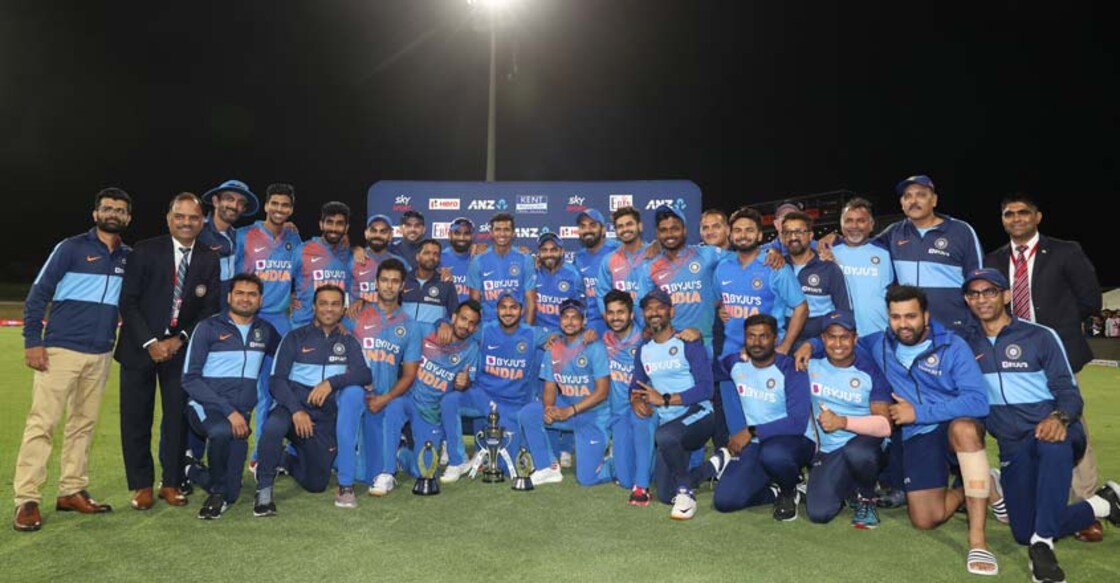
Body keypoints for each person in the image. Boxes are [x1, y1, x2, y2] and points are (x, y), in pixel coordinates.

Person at [795, 285, 996, 575]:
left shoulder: (952, 345)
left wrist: (919, 411)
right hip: (917, 433)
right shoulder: (880, 343)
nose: (903, 324)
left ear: (926, 316)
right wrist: (810, 344)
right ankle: (973, 486)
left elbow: (978, 402)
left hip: (949, 425)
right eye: (896, 317)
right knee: (925, 519)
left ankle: (978, 540)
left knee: (965, 429)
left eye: (911, 316)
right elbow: (841, 340)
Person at [959, 268, 1120, 582]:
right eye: (974, 293)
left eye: (990, 291)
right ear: (967, 300)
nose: (982, 299)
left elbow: (1068, 393)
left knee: (1052, 442)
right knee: (1021, 531)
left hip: (1057, 427)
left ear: (1006, 295)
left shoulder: (1039, 335)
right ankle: (1103, 503)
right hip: (1013, 443)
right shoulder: (965, 343)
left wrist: (1058, 418)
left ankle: (1043, 549)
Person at [983, 194, 1104, 535]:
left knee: (1070, 420)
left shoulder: (1065, 251)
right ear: (1003, 219)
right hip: (1010, 356)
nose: (1017, 218)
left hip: (1054, 350)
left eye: (1024, 212)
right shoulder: (994, 258)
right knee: (1022, 425)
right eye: (1009, 213)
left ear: (1038, 216)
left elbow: (1090, 300)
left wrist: (1050, 335)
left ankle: (1086, 503)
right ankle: (1040, 498)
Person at [13, 188, 132, 532]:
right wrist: (33, 341)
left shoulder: (128, 257)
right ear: (95, 214)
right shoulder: (71, 248)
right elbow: (38, 295)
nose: (113, 213)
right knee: (43, 424)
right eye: (107, 208)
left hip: (101, 352)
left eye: (120, 210)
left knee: (83, 424)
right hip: (60, 349)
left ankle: (71, 490)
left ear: (128, 218)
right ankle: (27, 499)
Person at [116, 193, 220, 511]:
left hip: (180, 351)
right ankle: (142, 485)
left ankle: (171, 482)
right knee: (136, 418)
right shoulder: (145, 251)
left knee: (176, 419)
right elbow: (128, 301)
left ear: (202, 221)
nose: (186, 222)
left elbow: (210, 307)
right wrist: (151, 342)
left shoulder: (208, 257)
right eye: (180, 216)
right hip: (139, 349)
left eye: (193, 217)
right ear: (169, 218)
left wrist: (179, 340)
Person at [253, 285, 371, 516]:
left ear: (343, 309)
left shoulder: (348, 342)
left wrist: (331, 383)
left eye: (335, 304)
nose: (329, 309)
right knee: (273, 426)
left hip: (324, 417)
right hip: (292, 409)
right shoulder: (295, 337)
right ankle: (264, 489)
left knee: (317, 483)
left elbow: (364, 374)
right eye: (324, 303)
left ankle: (286, 459)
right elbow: (276, 381)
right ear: (314, 306)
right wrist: (296, 410)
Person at [181, 273, 280, 519]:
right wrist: (229, 412)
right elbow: (189, 379)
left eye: (252, 294)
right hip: (206, 407)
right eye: (240, 293)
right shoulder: (208, 328)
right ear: (229, 296)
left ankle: (189, 469)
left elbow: (290, 353)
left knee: (233, 493)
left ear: (260, 300)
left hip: (240, 414)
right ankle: (215, 493)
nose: (245, 299)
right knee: (222, 431)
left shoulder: (265, 331)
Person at [712, 206, 807, 450]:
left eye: (749, 230)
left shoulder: (774, 266)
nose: (743, 235)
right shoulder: (723, 267)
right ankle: (740, 467)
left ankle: (774, 471)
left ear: (759, 235)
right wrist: (722, 309)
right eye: (738, 230)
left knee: (769, 425)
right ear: (731, 235)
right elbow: (718, 299)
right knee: (737, 426)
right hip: (732, 357)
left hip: (768, 358)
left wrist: (784, 347)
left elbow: (800, 307)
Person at [440, 292, 552, 483]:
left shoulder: (532, 334)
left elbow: (559, 337)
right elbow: (459, 327)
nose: (508, 312)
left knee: (508, 469)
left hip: (513, 406)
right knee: (450, 401)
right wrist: (441, 323)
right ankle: (457, 460)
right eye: (503, 307)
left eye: (513, 307)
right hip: (482, 398)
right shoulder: (484, 330)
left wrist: (562, 340)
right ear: (496, 310)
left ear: (522, 310)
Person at [715, 314, 813, 522]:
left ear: (775, 339)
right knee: (725, 502)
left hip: (793, 440)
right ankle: (774, 490)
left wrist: (751, 431)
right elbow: (707, 374)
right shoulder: (735, 363)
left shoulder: (791, 368)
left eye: (763, 336)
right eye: (751, 336)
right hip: (756, 443)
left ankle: (789, 489)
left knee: (774, 455)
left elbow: (797, 423)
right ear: (744, 338)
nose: (757, 342)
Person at [629, 290, 716, 519]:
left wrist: (666, 399)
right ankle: (711, 467)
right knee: (667, 494)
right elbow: (634, 385)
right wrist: (636, 400)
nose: (654, 312)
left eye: (659, 307)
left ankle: (686, 492)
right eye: (649, 308)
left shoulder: (688, 342)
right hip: (671, 424)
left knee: (665, 436)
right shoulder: (644, 350)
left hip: (700, 414)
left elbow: (707, 388)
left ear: (671, 311)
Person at [340, 258, 421, 502]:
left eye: (394, 281)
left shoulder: (410, 326)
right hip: (352, 396)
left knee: (368, 475)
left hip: (381, 401)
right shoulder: (356, 315)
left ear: (402, 286)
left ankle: (399, 454)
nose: (388, 286)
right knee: (337, 462)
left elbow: (409, 375)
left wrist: (385, 398)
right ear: (376, 283)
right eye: (384, 280)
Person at [802, 311, 892, 528]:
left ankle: (867, 497)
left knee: (858, 452)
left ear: (855, 338)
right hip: (830, 450)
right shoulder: (811, 363)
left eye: (845, 337)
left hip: (866, 443)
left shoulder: (870, 371)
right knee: (818, 513)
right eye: (832, 337)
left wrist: (843, 422)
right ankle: (851, 484)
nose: (838, 343)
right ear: (823, 339)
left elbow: (884, 425)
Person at [236, 183, 301, 467]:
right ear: (266, 205)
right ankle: (250, 453)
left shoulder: (294, 240)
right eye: (274, 203)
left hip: (281, 322)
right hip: (250, 321)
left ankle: (267, 451)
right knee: (249, 389)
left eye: (285, 205)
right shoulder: (243, 236)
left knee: (278, 387)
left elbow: (305, 271)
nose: (279, 209)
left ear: (291, 210)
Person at [384, 301, 482, 483]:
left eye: (471, 323)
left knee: (424, 472)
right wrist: (440, 322)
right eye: (463, 319)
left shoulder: (472, 350)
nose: (466, 326)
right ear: (453, 317)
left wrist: (465, 383)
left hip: (431, 415)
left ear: (476, 328)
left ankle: (402, 454)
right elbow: (399, 329)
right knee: (394, 406)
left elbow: (467, 384)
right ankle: (386, 473)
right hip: (410, 401)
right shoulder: (427, 330)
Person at [519, 299, 612, 486]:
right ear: (559, 321)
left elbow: (602, 392)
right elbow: (550, 387)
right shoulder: (553, 349)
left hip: (593, 416)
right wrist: (549, 408)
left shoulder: (595, 347)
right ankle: (547, 468)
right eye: (565, 317)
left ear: (584, 321)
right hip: (567, 410)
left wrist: (570, 410)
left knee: (587, 479)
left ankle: (617, 460)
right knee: (529, 413)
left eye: (575, 318)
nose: (570, 322)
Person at [878, 175, 983, 333]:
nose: (913, 201)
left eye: (921, 195)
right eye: (908, 196)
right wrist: (834, 241)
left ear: (934, 200)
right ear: (902, 204)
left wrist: (974, 323)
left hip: (955, 329)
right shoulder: (893, 233)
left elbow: (978, 280)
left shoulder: (961, 231)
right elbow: (862, 248)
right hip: (912, 331)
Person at [637, 205, 722, 350]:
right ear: (657, 234)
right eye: (663, 230)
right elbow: (639, 306)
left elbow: (744, 256)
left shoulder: (707, 255)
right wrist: (652, 329)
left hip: (703, 342)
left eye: (675, 228)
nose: (669, 234)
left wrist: (773, 251)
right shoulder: (650, 267)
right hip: (667, 345)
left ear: (685, 230)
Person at [600, 290, 652, 503]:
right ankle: (616, 458)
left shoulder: (645, 339)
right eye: (611, 313)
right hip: (617, 415)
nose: (615, 317)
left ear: (631, 315)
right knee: (624, 479)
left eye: (621, 312)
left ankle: (646, 475)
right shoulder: (603, 338)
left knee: (638, 474)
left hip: (640, 409)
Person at [780, 211, 852, 346]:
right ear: (782, 238)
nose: (793, 237)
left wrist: (816, 343)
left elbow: (844, 313)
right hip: (782, 341)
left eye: (799, 232)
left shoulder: (829, 268)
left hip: (818, 343)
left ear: (810, 235)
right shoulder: (777, 267)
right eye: (788, 233)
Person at [830, 197, 894, 336]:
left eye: (861, 220)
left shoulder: (887, 253)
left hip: (879, 333)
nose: (854, 226)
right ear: (841, 224)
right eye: (849, 220)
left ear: (871, 225)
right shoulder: (828, 252)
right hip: (840, 336)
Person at [290, 202, 352, 328]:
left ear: (346, 228)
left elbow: (354, 290)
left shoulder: (350, 255)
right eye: (329, 222)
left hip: (338, 327)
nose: (334, 228)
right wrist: (287, 300)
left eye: (339, 223)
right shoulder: (302, 250)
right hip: (303, 324)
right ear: (321, 224)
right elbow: (281, 281)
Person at [199, 179, 259, 307]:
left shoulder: (239, 237)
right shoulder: (197, 232)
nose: (234, 206)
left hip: (228, 315)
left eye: (241, 203)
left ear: (243, 209)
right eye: (229, 199)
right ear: (216, 201)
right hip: (199, 316)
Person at [468, 212, 537, 323]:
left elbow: (531, 303)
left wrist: (527, 332)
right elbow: (474, 304)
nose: (502, 234)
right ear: (491, 233)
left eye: (506, 230)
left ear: (513, 233)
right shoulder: (478, 261)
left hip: (518, 326)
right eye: (498, 229)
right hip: (488, 325)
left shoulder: (525, 259)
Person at [573, 209, 621, 335]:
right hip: (592, 326)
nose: (587, 230)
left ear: (604, 230)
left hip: (619, 320)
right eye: (583, 226)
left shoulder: (618, 249)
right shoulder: (579, 257)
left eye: (593, 225)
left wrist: (655, 246)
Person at [351, 214, 410, 309]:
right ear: (366, 234)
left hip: (389, 321)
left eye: (383, 231)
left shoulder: (401, 263)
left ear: (390, 235)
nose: (377, 235)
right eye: (373, 231)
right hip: (357, 320)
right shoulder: (353, 259)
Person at [400, 239, 458, 330]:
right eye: (427, 253)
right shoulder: (404, 280)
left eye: (436, 254)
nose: (431, 257)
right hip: (404, 336)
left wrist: (446, 323)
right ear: (418, 256)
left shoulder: (445, 283)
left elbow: (455, 313)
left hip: (431, 339)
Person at [534, 231, 584, 335]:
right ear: (539, 253)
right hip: (537, 335)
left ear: (562, 251)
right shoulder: (533, 272)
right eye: (544, 250)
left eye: (553, 250)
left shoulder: (573, 275)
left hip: (564, 335)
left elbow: (581, 310)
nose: (549, 254)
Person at [441, 217, 475, 302]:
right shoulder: (439, 258)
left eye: (466, 233)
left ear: (472, 236)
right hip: (446, 314)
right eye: (457, 233)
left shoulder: (480, 259)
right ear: (449, 235)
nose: (462, 237)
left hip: (472, 313)